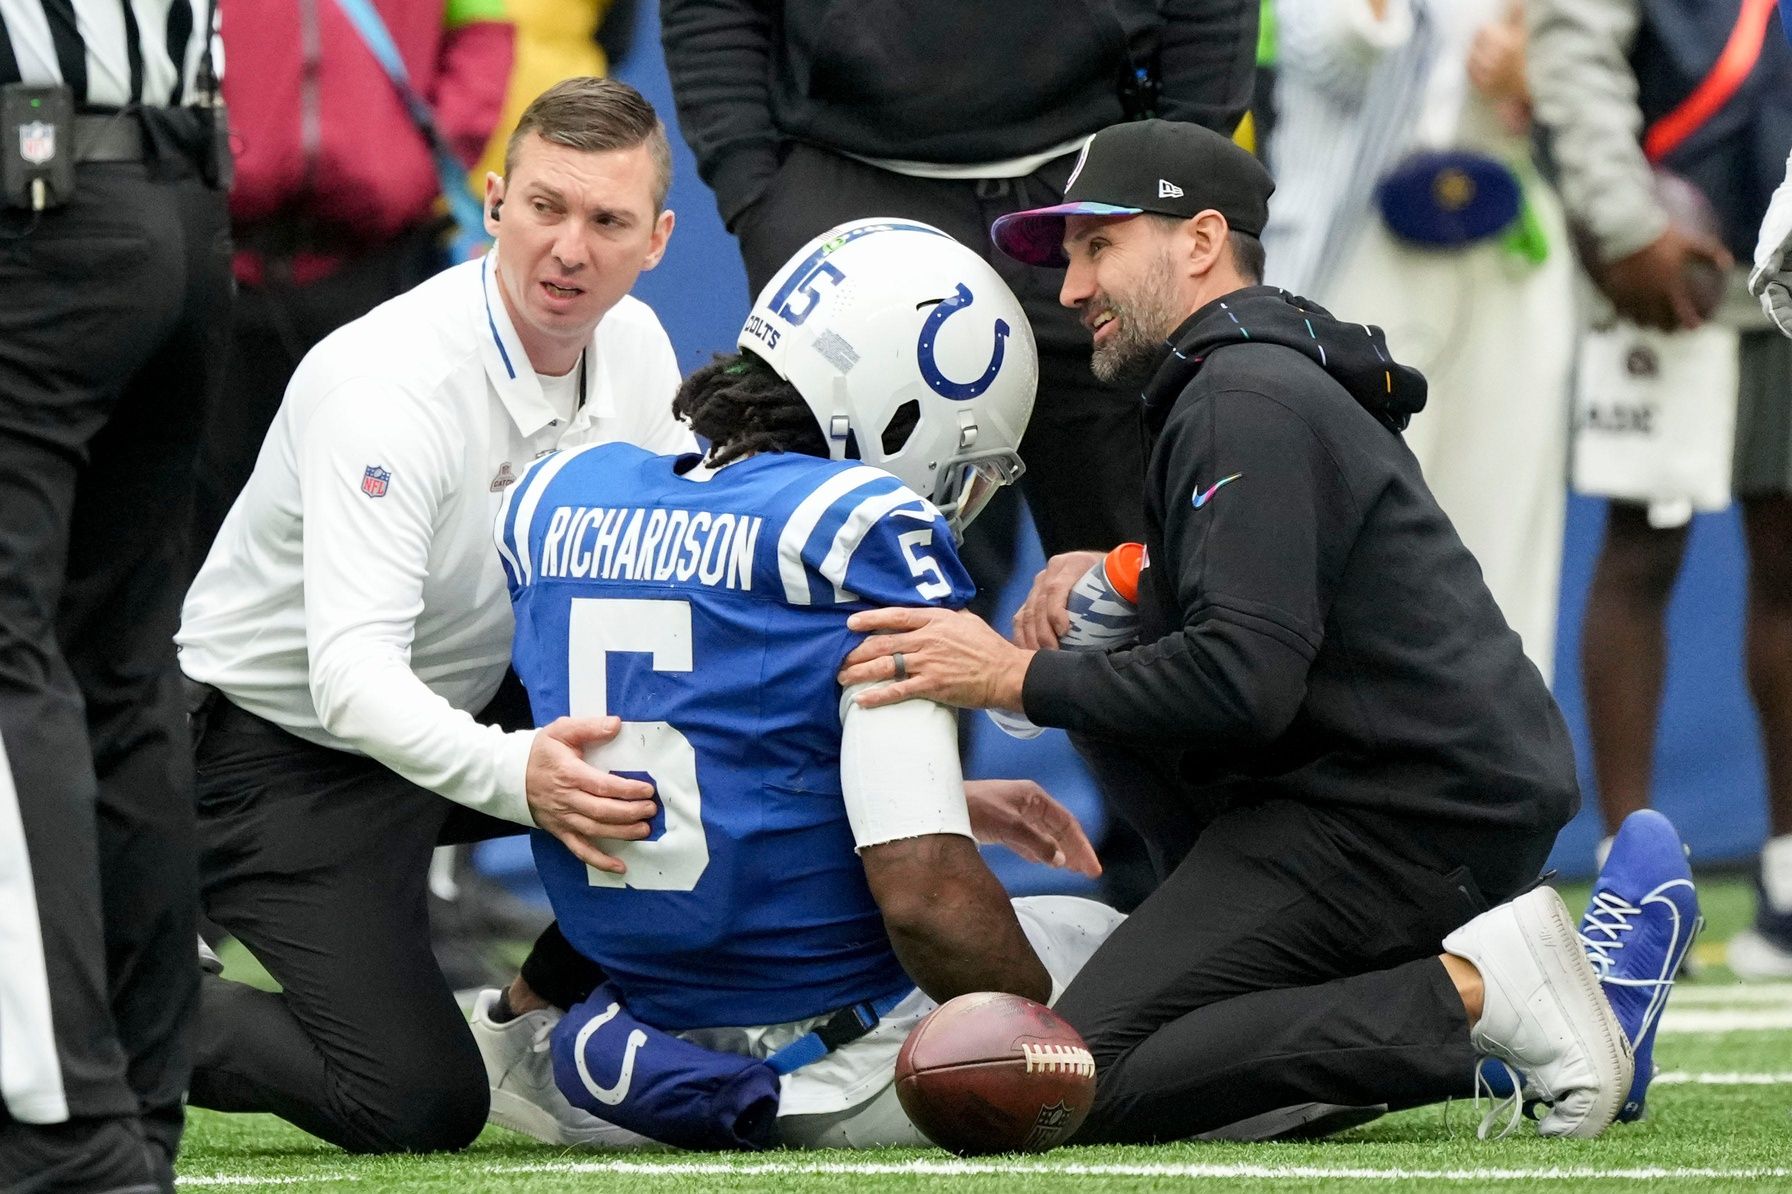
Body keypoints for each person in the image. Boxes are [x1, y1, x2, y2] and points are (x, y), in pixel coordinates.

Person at [835, 118, 1670, 1140]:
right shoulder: (1238, 382)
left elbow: (1241, 680)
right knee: (1191, 1063)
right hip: (1382, 799)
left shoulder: (1243, 396)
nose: (1070, 291)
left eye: (1098, 247)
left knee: (1069, 1080)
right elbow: (1272, 610)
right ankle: (1529, 1006)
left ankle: (1490, 998)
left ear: (1198, 241)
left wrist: (1010, 680)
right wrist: (1125, 581)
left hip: (1398, 818)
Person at [478, 218, 1120, 1150]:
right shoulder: (857, 530)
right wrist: (1033, 1030)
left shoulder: (560, 493)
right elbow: (925, 898)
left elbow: (697, 763)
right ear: (905, 408)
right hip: (835, 1069)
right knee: (1102, 942)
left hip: (629, 1072)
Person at [175, 77, 697, 1155]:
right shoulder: (388, 384)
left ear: (656, 240)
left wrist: (883, 778)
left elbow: (678, 598)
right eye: (545, 208)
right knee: (414, 1107)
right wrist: (524, 778)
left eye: (606, 221)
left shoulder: (641, 348)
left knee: (711, 754)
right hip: (274, 759)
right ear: (494, 202)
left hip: (465, 709)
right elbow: (352, 682)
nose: (567, 248)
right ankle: (100, 997)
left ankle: (533, 1028)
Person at [0, 4, 232, 1190]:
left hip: (37, 196)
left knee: (13, 661)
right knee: (119, 670)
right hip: (182, 185)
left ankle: (60, 1124)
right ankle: (140, 1109)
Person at [1528, 0, 1792, 976]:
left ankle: (1789, 881)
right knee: (1642, 552)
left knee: (1788, 555)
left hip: (1787, 248)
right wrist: (1625, 221)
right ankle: (1626, 877)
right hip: (1670, 259)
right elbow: (1572, 58)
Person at [1264, 0, 1573, 684]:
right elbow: (1338, 47)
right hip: (1357, 262)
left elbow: (1609, 60)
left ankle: (1515, 774)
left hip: (1512, 249)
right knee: (1353, 545)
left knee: (1505, 552)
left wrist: (1542, 63)